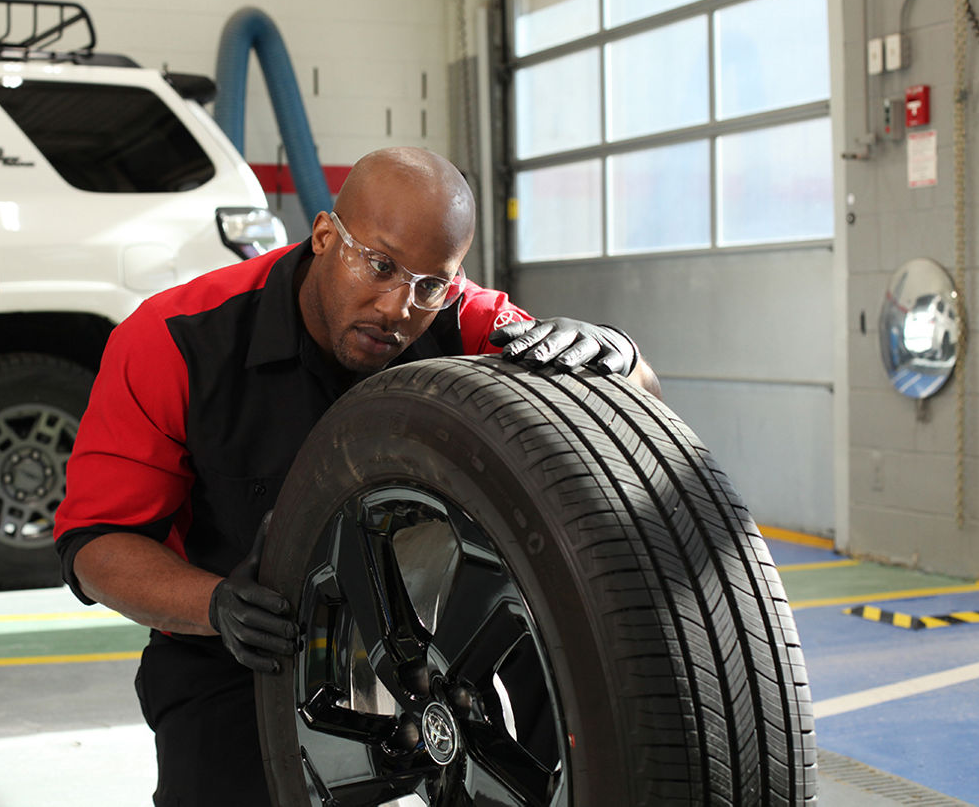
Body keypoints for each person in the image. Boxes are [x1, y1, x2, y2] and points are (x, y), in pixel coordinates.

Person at [53, 146, 659, 805]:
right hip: (252, 642)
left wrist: (619, 360)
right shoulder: (174, 342)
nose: (400, 307)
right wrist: (215, 606)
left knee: (595, 683)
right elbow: (96, 545)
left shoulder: (465, 321)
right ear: (323, 237)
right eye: (380, 266)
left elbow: (627, 421)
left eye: (431, 284)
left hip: (439, 633)